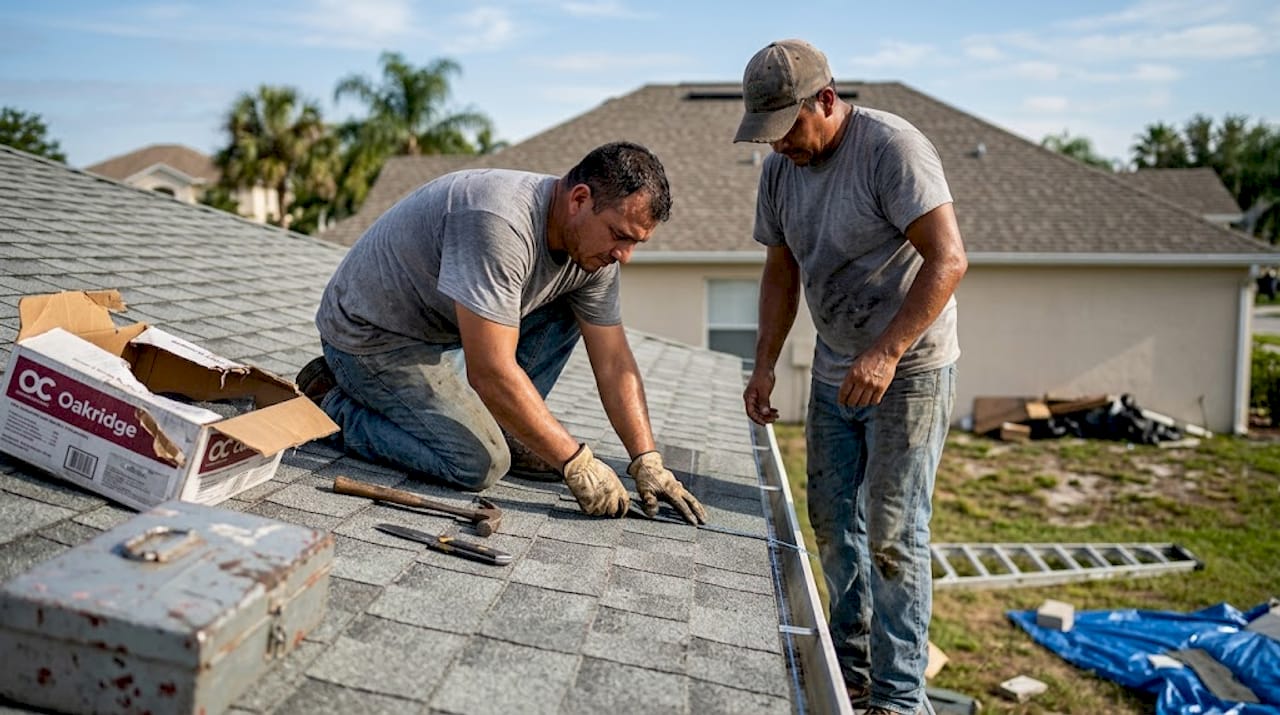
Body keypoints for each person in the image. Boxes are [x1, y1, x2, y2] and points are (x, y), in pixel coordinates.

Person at [734, 40, 967, 715]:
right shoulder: (781, 171)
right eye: (768, 135)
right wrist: (766, 362)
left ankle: (899, 696)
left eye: (788, 130)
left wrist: (889, 351)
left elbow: (948, 260)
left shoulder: (892, 150)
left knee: (894, 531)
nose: (780, 147)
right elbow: (782, 271)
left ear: (826, 102)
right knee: (834, 522)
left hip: (911, 370)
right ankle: (855, 668)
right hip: (838, 363)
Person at [300, 141, 706, 526]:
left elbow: (615, 362)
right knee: (478, 462)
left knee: (572, 307)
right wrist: (575, 462)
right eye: (619, 235)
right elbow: (490, 370)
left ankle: (501, 422)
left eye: (636, 243)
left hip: (443, 338)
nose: (624, 256)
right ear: (579, 199)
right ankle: (331, 404)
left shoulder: (593, 255)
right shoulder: (500, 223)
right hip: (372, 340)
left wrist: (646, 460)